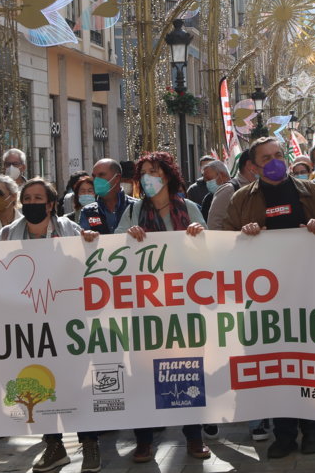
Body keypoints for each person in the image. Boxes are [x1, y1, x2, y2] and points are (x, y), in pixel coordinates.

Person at [223, 137, 315, 458]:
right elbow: (222, 245)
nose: (275, 160)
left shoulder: (311, 192)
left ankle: (313, 429)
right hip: (265, 302)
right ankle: (284, 434)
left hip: (310, 293)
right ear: (253, 166)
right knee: (276, 366)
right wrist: (242, 237)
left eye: (279, 155)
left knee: (312, 362)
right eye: (267, 157)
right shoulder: (241, 199)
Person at [0, 178, 99, 471]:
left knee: (76, 385)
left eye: (39, 198)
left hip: (68, 324)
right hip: (30, 327)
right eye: (28, 198)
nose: (33, 203)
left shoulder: (71, 230)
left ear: (51, 205)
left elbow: (90, 266)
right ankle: (55, 446)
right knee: (41, 384)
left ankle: (90, 445)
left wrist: (89, 243)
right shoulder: (6, 235)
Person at [115, 152, 211, 462]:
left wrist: (199, 236)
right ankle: (144, 440)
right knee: (142, 372)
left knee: (187, 369)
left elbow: (209, 251)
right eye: (143, 173)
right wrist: (128, 238)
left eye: (153, 171)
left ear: (167, 176)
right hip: (145, 305)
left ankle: (193, 437)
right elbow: (115, 248)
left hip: (183, 304)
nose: (147, 177)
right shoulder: (134, 211)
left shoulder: (189, 208)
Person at [78, 158, 132, 235]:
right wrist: (87, 236)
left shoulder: (135, 207)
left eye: (101, 175)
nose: (96, 180)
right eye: (94, 176)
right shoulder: (88, 211)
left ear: (117, 178)